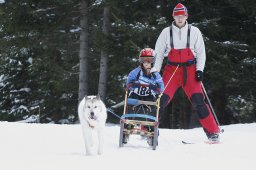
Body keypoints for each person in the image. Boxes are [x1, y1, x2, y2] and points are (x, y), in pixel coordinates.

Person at [151, 3, 220, 142]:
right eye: (177, 16)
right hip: (172, 70)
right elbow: (158, 53)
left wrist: (200, 70)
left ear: (186, 16)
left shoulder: (194, 31)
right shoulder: (166, 32)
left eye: (182, 16)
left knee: (199, 101)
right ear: (173, 17)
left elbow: (201, 53)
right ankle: (150, 130)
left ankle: (213, 132)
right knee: (160, 99)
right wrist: (156, 70)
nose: (180, 19)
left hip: (190, 71)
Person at [123, 48, 164, 145]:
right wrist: (132, 85)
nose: (146, 62)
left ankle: (152, 131)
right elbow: (128, 83)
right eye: (144, 60)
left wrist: (155, 87)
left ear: (152, 61)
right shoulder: (136, 72)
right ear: (141, 61)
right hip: (136, 94)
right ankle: (127, 127)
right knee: (130, 108)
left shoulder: (155, 75)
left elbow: (161, 87)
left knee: (152, 111)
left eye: (149, 60)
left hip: (148, 96)